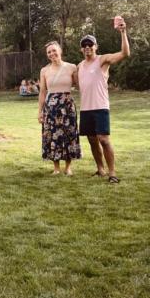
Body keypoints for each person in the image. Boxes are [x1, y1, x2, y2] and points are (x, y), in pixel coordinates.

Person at [77, 18, 130, 183]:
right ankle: (100, 169)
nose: (87, 47)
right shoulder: (79, 66)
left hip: (100, 107)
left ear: (95, 47)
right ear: (81, 49)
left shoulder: (102, 60)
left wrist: (123, 32)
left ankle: (112, 173)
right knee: (92, 140)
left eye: (90, 45)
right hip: (85, 109)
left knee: (104, 140)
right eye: (84, 45)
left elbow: (124, 54)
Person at [38, 41, 81, 175]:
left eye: (54, 50)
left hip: (67, 105)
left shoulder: (72, 67)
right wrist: (40, 111)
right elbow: (42, 92)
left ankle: (68, 167)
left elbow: (79, 84)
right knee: (52, 136)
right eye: (49, 52)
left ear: (60, 51)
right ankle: (56, 167)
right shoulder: (44, 70)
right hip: (51, 107)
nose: (52, 54)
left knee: (69, 134)